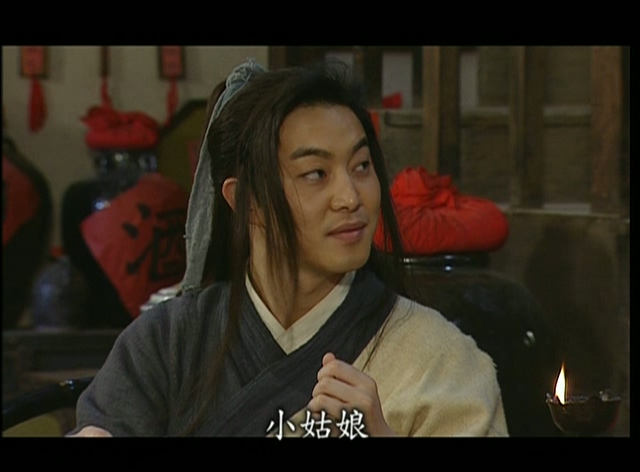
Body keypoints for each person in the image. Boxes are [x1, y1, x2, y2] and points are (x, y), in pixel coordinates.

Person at [70, 58, 508, 437]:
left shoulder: (442, 361)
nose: (350, 197)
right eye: (316, 174)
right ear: (247, 201)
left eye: (361, 166)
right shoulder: (169, 343)